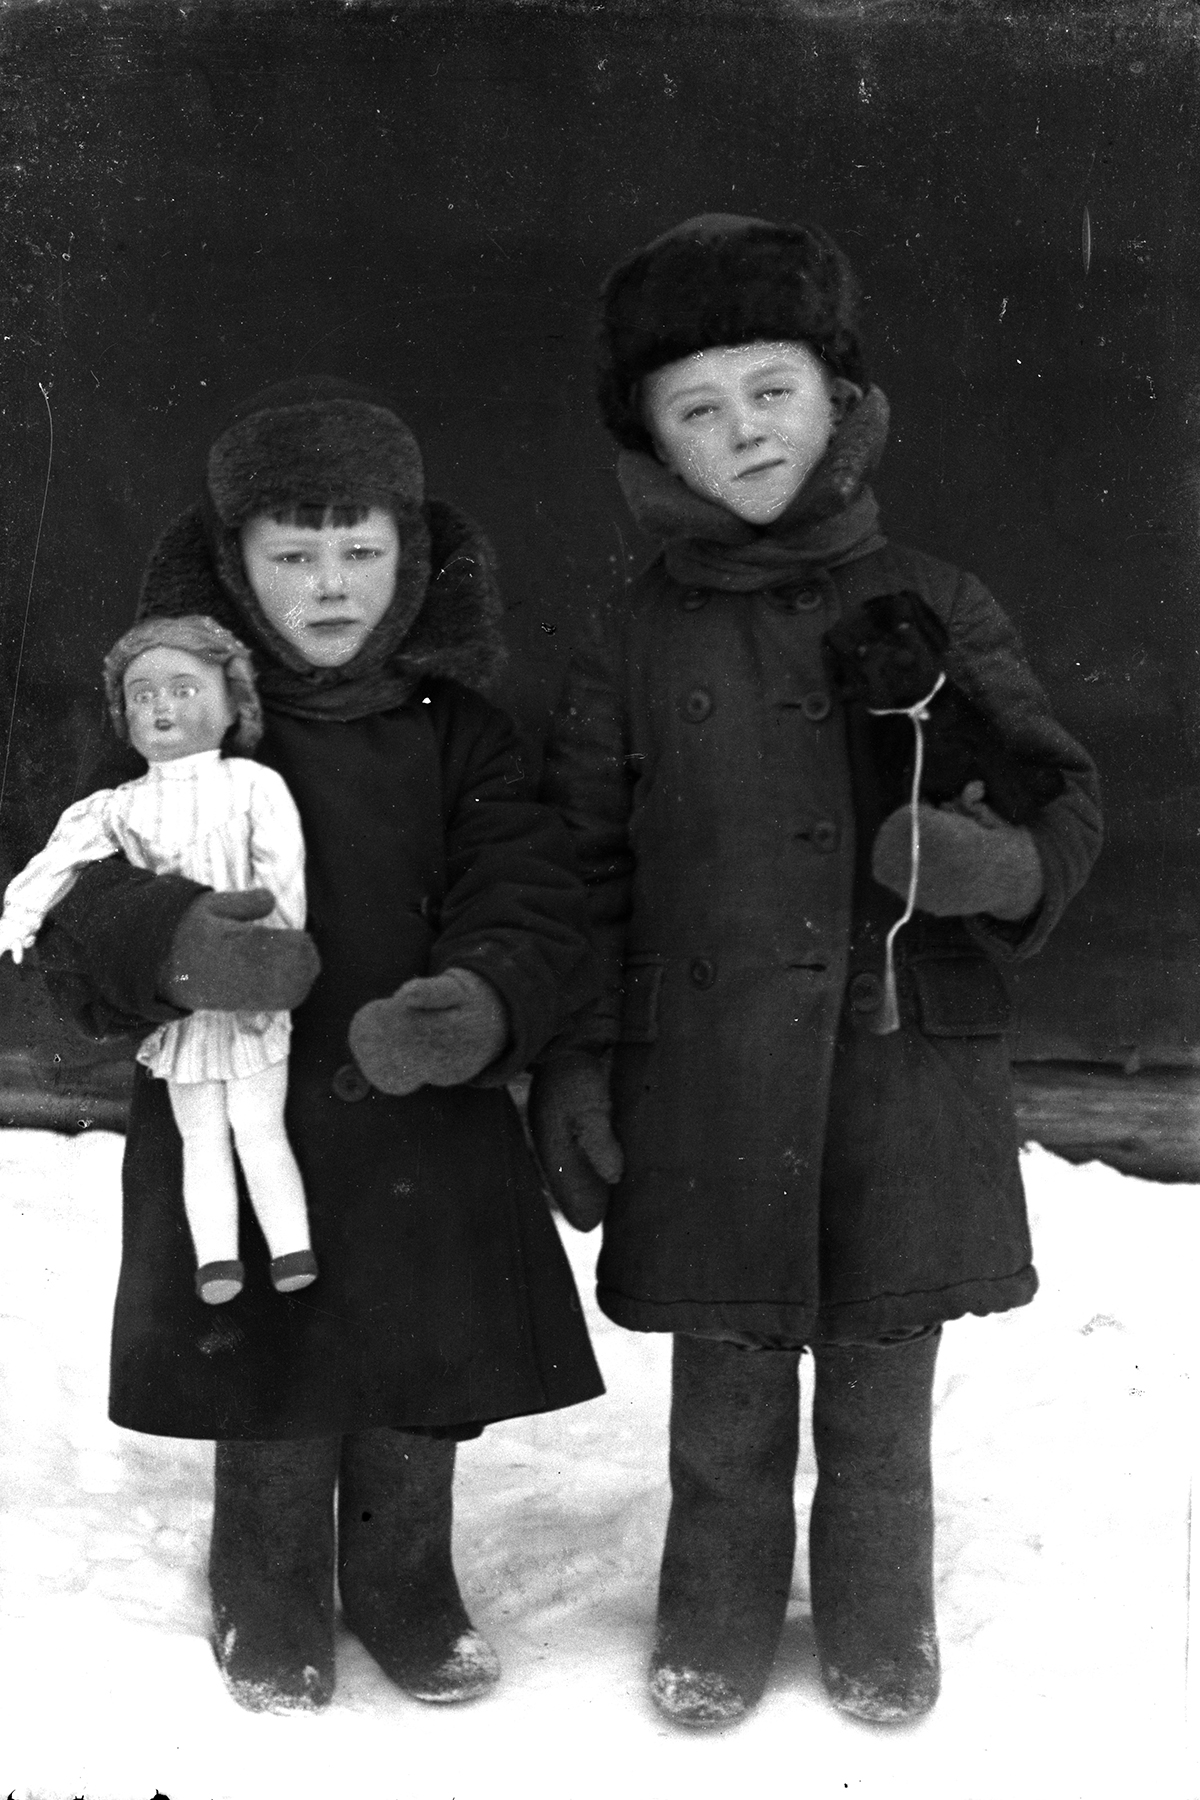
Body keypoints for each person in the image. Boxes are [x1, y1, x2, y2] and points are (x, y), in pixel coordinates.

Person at [529, 214, 1102, 1728]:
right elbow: (578, 866)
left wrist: (994, 866)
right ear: (651, 440)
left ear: (835, 396)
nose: (744, 431)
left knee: (880, 1381)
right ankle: (714, 1612)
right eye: (698, 408)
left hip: (897, 1059)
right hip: (706, 1074)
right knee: (725, 1378)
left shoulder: (937, 597)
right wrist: (574, 1060)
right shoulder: (631, 632)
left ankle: (878, 1610)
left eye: (770, 390)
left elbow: (1062, 796)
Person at [31, 376, 604, 1715]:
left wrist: (482, 999)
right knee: (271, 1360)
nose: (330, 584)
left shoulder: (463, 734)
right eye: (293, 556)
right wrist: (173, 943)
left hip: (424, 1108)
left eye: (362, 550)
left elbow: (528, 888)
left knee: (418, 1360)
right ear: (232, 567)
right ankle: (270, 1579)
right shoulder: (179, 730)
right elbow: (74, 895)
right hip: (241, 1103)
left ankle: (404, 1580)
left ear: (415, 562)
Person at [1, 614, 316, 1306]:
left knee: (258, 1124)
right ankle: (218, 1260)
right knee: (198, 1132)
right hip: (174, 996)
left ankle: (290, 1246)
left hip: (250, 984)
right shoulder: (118, 807)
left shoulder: (253, 788)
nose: (161, 707)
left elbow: (283, 879)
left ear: (233, 704)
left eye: (183, 689)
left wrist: (271, 971)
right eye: (142, 696)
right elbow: (57, 862)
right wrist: (19, 916)